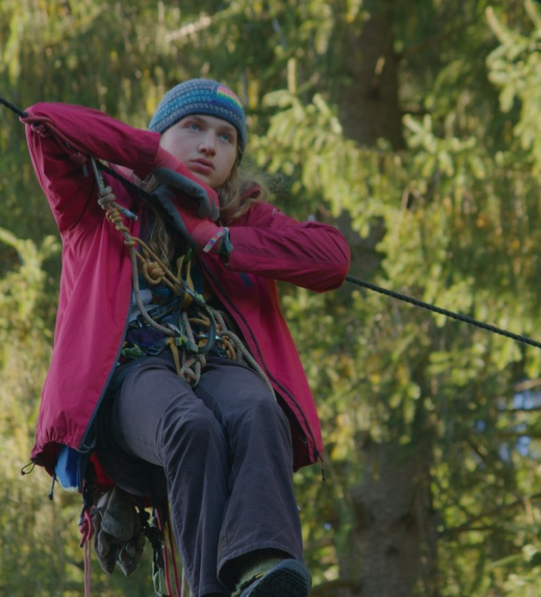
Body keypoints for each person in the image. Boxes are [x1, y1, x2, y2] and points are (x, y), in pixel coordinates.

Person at [20, 79, 351, 597]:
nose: (208, 145)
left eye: (225, 137)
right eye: (193, 127)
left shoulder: (241, 218)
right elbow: (43, 121)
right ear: (161, 133)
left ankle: (263, 567)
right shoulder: (99, 201)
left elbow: (332, 259)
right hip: (134, 377)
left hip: (216, 365)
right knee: (189, 424)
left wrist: (221, 240)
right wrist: (150, 158)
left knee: (259, 410)